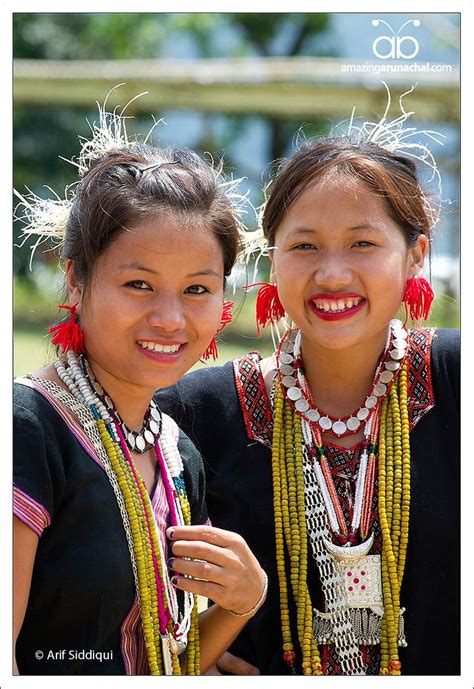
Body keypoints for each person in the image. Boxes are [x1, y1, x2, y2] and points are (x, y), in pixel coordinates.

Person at [157, 103, 460, 675]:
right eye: (304, 246)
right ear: (273, 260)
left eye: (362, 244)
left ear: (416, 254)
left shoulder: (457, 381)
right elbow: (123, 608)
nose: (332, 275)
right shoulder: (194, 414)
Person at [13, 99, 267, 676]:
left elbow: (162, 664)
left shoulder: (178, 454)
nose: (171, 318)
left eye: (197, 290)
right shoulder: (27, 428)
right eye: (138, 284)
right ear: (76, 279)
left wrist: (241, 604)